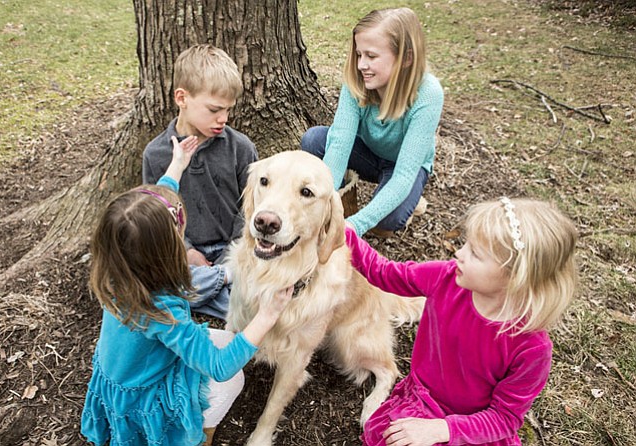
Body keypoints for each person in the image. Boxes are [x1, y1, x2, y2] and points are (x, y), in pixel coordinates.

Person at [81, 135, 293, 446]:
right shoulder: (163, 311)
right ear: (168, 251)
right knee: (234, 377)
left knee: (227, 340)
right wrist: (268, 314)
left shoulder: (115, 273)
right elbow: (219, 368)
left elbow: (160, 200)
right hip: (146, 396)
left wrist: (177, 164)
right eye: (180, 232)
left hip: (123, 374)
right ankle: (192, 436)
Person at [345, 197, 578, 446]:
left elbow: (504, 418)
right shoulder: (445, 277)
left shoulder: (531, 348)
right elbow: (386, 273)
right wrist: (343, 232)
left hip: (474, 430)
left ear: (516, 277)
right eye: (466, 244)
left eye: (475, 253)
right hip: (424, 402)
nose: (460, 253)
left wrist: (441, 429)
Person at [301, 7, 444, 238]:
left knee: (386, 223)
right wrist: (322, 205)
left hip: (404, 165)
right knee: (314, 141)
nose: (361, 65)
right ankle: (374, 198)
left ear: (406, 58)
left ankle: (408, 200)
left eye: (371, 56)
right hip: (368, 154)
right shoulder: (357, 82)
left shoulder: (428, 94)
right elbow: (339, 144)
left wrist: (356, 224)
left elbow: (405, 173)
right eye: (359, 54)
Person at [142, 43, 257, 320]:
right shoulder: (156, 155)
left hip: (234, 249)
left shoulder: (240, 147)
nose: (223, 119)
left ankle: (211, 291)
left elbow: (252, 206)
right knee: (154, 283)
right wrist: (188, 251)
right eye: (214, 109)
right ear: (182, 98)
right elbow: (157, 218)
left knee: (255, 279)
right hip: (183, 256)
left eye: (228, 110)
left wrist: (234, 252)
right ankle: (224, 290)